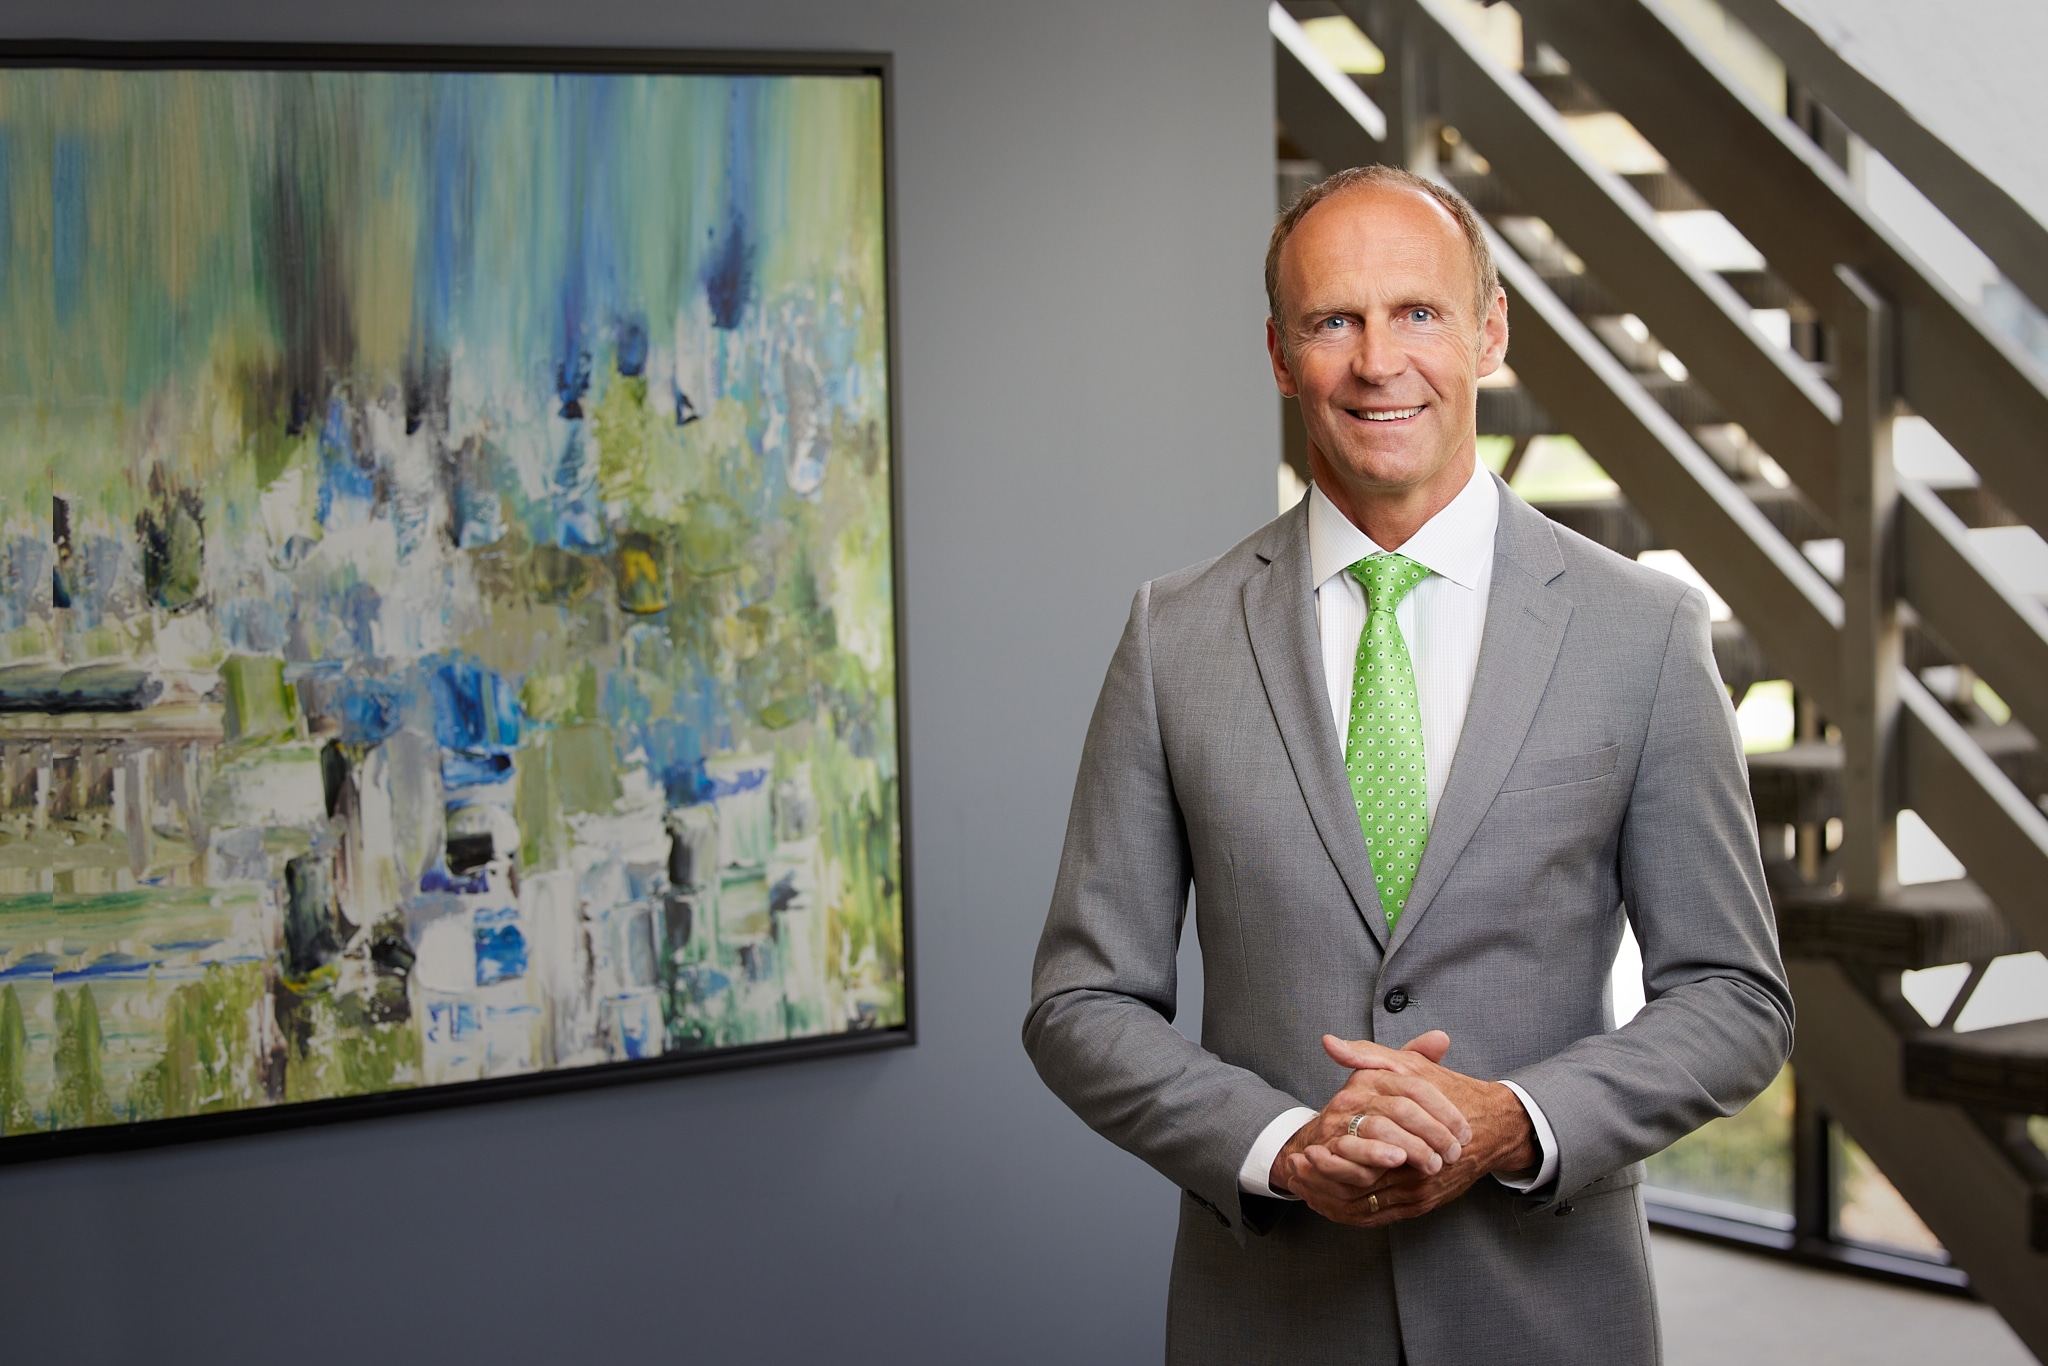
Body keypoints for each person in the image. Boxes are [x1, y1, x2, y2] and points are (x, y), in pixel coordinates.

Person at [1022, 165, 1794, 1364]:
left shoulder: (1640, 631)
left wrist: (1511, 1120)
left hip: (1549, 1314)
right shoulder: (1171, 635)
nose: (1379, 361)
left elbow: (1734, 999)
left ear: (1488, 332)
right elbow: (1080, 1002)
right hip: (1265, 1318)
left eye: (1418, 313)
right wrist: (1278, 1144)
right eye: (1334, 320)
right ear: (1280, 356)